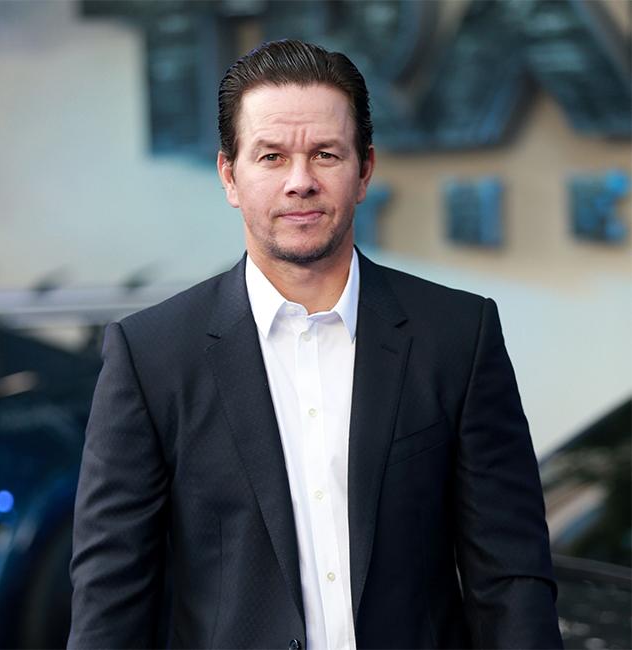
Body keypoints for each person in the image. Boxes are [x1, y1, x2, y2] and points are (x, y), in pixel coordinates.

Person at [68, 40, 563, 650]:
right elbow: (111, 596)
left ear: (365, 170)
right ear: (230, 175)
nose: (300, 182)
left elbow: (511, 575)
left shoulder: (458, 334)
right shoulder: (151, 356)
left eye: (325, 154)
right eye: (271, 156)